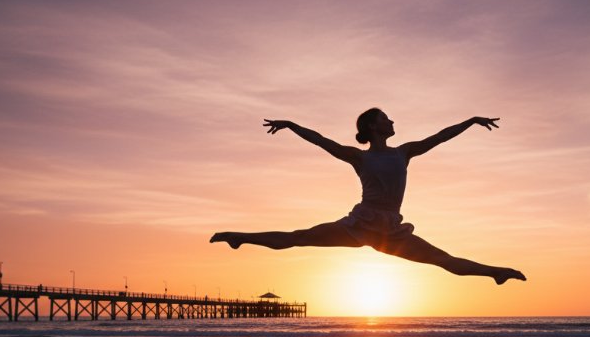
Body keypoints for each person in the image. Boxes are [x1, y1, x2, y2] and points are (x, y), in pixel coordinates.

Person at [210, 109, 526, 285]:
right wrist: (292, 125)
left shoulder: (404, 152)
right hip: (359, 225)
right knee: (299, 237)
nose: (392, 121)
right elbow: (321, 141)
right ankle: (240, 237)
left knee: (443, 260)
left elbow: (440, 137)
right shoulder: (359, 157)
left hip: (390, 231)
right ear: (373, 127)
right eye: (386, 118)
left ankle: (496, 273)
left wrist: (470, 122)